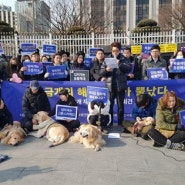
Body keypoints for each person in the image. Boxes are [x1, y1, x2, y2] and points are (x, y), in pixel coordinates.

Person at [101, 42, 132, 126]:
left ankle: (120, 123)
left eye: (117, 50)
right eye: (113, 51)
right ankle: (109, 123)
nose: (115, 52)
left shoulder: (124, 59)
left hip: (120, 85)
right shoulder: (107, 59)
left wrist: (120, 64)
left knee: (120, 106)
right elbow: (101, 73)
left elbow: (128, 69)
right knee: (109, 106)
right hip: (110, 86)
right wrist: (106, 70)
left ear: (120, 50)